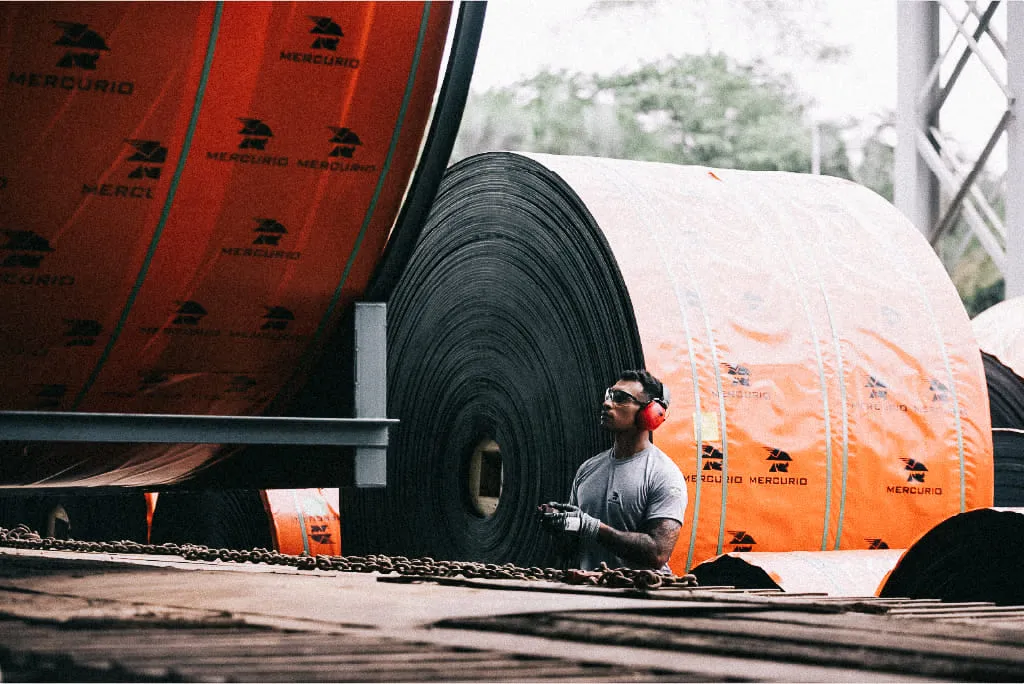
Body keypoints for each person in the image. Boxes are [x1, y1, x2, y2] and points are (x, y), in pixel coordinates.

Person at [538, 370, 687, 572]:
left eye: (621, 399)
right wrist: (560, 525)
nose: (607, 403)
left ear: (650, 413)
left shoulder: (663, 474)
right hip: (591, 596)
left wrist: (593, 528)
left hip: (640, 600)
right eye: (609, 395)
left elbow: (657, 553)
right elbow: (571, 551)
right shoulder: (588, 469)